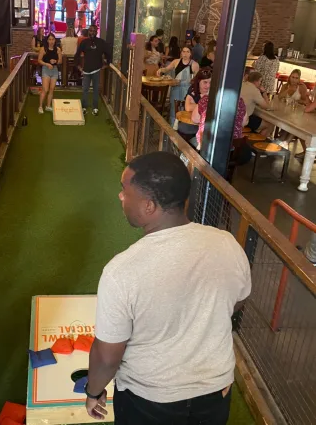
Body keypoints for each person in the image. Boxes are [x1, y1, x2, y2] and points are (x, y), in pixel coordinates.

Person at [85, 151, 251, 424]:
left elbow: (107, 355)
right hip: (216, 392)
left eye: (125, 190)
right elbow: (237, 301)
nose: (120, 196)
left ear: (149, 206)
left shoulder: (121, 271)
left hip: (150, 399)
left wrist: (94, 391)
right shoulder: (227, 243)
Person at [192, 92, 250, 166]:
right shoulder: (239, 101)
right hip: (232, 149)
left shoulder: (206, 99)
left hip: (208, 148)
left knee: (190, 141)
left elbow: (194, 119)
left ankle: (199, 168)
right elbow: (244, 122)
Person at [75, 24, 111, 116]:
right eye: (91, 30)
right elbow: (77, 55)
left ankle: (95, 108)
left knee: (95, 90)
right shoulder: (84, 42)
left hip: (97, 70)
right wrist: (78, 66)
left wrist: (106, 64)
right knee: (85, 89)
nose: (92, 32)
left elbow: (109, 53)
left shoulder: (101, 42)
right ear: (88, 31)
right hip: (86, 70)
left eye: (94, 31)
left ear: (97, 31)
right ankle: (84, 107)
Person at [158, 46, 199, 126]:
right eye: (183, 51)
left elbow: (197, 80)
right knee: (174, 108)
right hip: (176, 88)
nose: (185, 54)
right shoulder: (176, 61)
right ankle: (173, 127)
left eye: (187, 52)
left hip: (187, 90)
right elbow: (166, 69)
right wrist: (161, 70)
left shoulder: (194, 64)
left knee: (185, 109)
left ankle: (183, 127)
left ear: (191, 54)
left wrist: (193, 82)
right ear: (181, 53)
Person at [274, 69, 309, 153]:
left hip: (297, 112)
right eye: (293, 77)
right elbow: (279, 97)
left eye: (296, 78)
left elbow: (305, 101)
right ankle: (283, 140)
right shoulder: (285, 86)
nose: (294, 79)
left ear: (299, 79)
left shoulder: (302, 87)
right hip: (285, 111)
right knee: (288, 119)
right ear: (289, 77)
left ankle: (285, 141)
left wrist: (297, 101)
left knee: (295, 121)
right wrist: (288, 90)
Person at [178, 68, 212, 144]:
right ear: (198, 81)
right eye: (205, 82)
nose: (208, 85)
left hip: (206, 124)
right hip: (192, 123)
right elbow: (188, 108)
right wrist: (204, 102)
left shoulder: (213, 91)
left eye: (210, 82)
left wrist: (196, 106)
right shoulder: (193, 89)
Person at [240, 71, 273, 136]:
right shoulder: (255, 90)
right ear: (256, 81)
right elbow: (266, 107)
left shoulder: (242, 84)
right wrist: (264, 93)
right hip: (244, 119)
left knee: (258, 120)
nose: (260, 84)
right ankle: (258, 143)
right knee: (269, 125)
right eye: (260, 81)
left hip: (236, 116)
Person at [38, 33, 62, 114]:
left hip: (54, 70)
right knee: (45, 89)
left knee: (52, 89)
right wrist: (47, 64)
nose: (51, 41)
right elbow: (39, 60)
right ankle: (40, 106)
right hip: (46, 69)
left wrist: (56, 61)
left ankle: (48, 106)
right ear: (47, 40)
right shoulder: (43, 49)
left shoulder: (58, 49)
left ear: (55, 40)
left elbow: (60, 61)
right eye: (50, 39)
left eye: (53, 39)